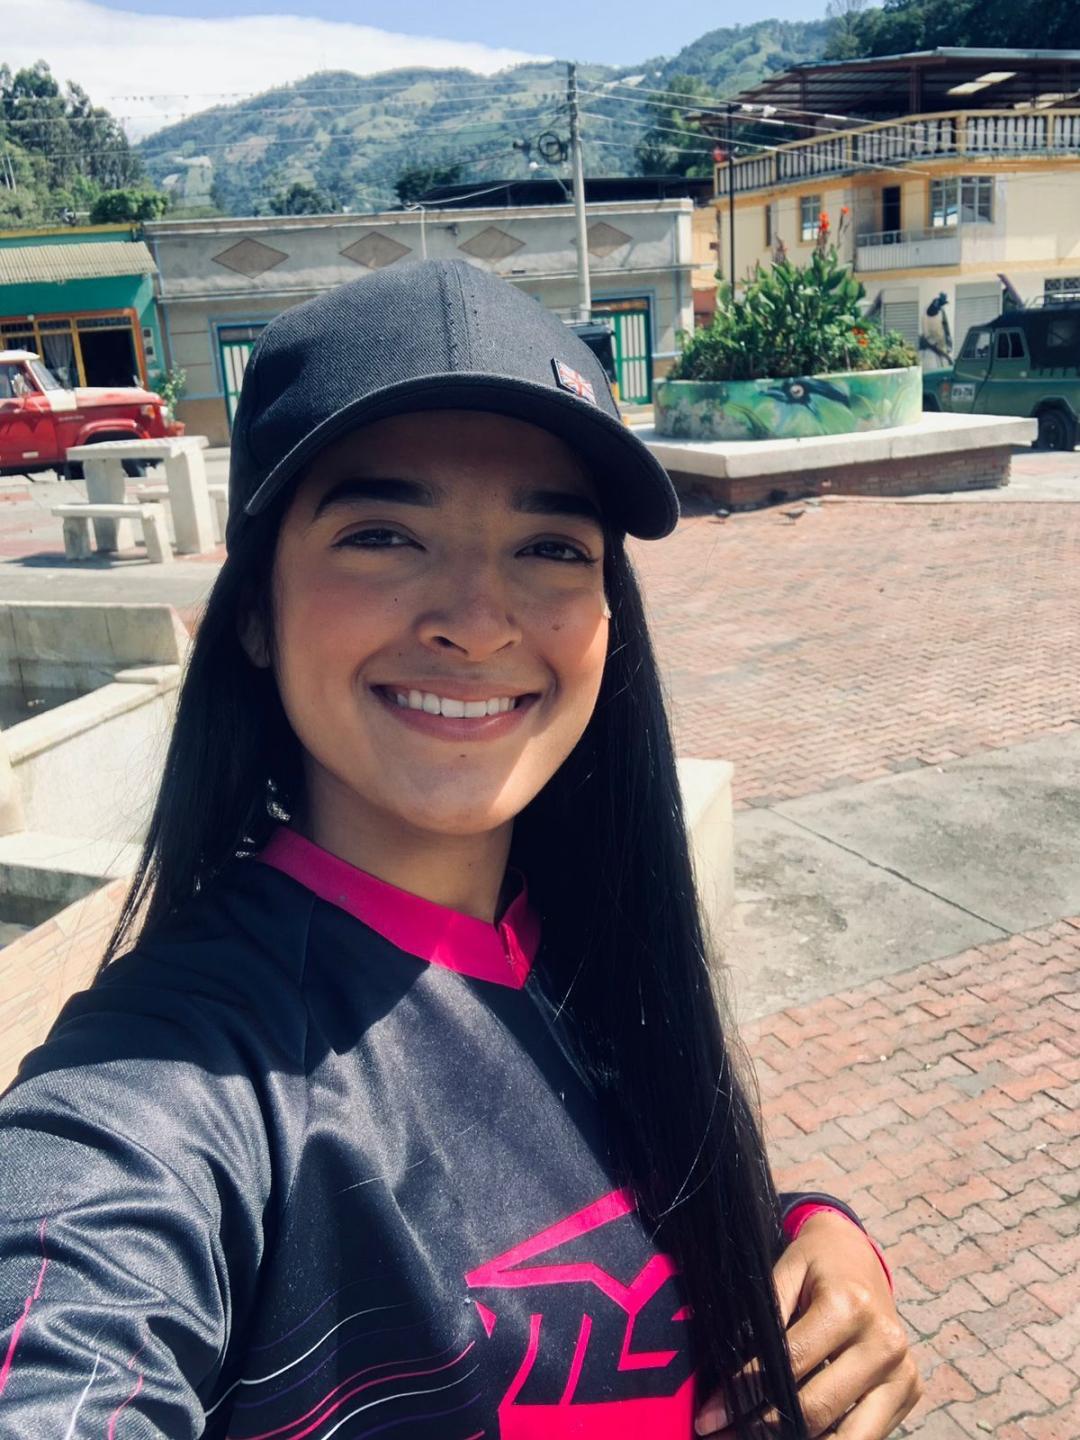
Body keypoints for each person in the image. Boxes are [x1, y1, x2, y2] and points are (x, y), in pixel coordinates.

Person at [0, 261, 920, 1438]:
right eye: (383, 534)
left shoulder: (589, 937)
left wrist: (814, 1238)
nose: (478, 623)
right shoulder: (173, 1082)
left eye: (550, 548)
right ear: (255, 613)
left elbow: (637, 1207)